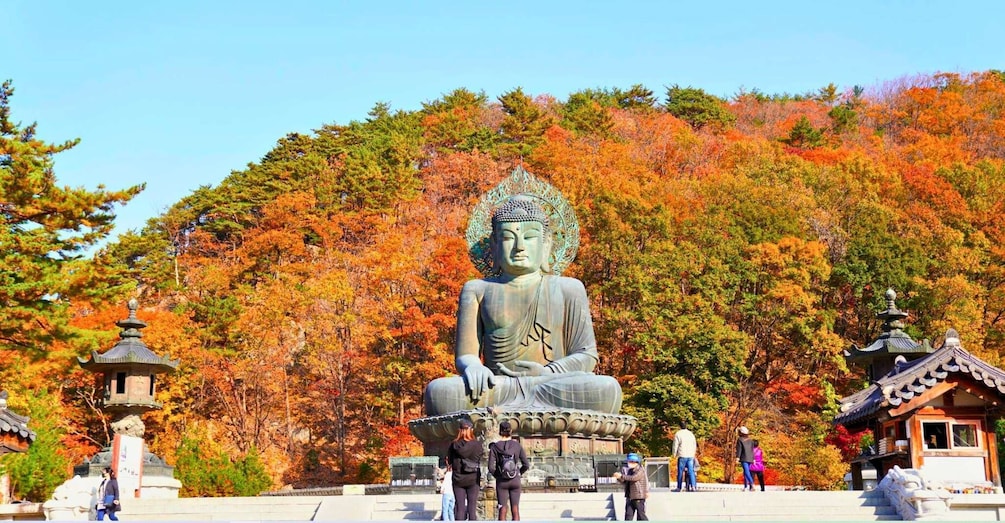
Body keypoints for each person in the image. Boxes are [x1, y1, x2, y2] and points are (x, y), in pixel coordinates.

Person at [423, 196, 623, 416]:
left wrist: (547, 373)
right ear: (495, 245)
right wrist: (474, 367)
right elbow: (466, 354)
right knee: (440, 392)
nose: (519, 247)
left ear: (546, 244)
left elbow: (587, 356)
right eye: (509, 238)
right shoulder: (477, 289)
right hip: (497, 387)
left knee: (606, 389)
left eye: (529, 237)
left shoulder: (568, 288)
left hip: (551, 384)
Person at [488, 421, 530, 520]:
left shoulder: (495, 447)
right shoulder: (517, 445)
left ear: (499, 432)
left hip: (502, 481)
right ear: (511, 431)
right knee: (515, 509)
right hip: (515, 479)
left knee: (502, 508)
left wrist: (498, 476)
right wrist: (518, 473)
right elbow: (526, 465)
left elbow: (490, 467)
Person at [447, 419, 483, 520]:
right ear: (471, 430)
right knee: (472, 508)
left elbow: (449, 461)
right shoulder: (477, 445)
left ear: (460, 430)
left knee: (460, 508)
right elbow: (480, 457)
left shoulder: (454, 445)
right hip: (473, 478)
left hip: (458, 479)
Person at [613, 452, 648, 521]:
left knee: (641, 515)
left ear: (634, 462)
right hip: (630, 496)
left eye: (629, 461)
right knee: (628, 515)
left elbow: (634, 478)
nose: (628, 463)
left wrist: (622, 476)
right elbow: (626, 481)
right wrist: (619, 478)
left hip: (638, 496)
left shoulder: (640, 470)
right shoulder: (630, 471)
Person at [672, 421, 697, 492]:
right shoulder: (691, 434)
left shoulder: (678, 434)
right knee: (691, 471)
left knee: (680, 472)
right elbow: (694, 444)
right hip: (690, 455)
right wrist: (693, 453)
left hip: (682, 455)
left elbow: (675, 445)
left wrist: (674, 454)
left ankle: (679, 487)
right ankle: (693, 486)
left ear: (680, 426)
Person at [736, 426, 755, 491]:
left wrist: (737, 457)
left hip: (744, 458)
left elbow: (739, 449)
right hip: (750, 458)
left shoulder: (740, 439)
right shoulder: (751, 440)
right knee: (746, 472)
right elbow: (752, 450)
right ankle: (745, 486)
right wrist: (753, 458)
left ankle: (752, 484)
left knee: (746, 471)